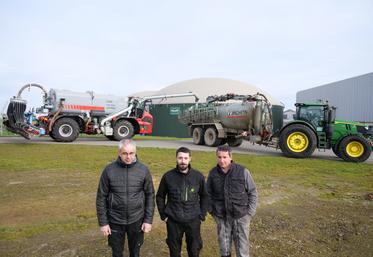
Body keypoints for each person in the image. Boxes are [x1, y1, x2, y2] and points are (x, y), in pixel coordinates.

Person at [96, 139, 155, 257]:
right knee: (117, 253)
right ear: (119, 153)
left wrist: (148, 220)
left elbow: (150, 195)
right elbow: (101, 197)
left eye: (131, 153)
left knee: (135, 252)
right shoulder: (109, 170)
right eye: (125, 153)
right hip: (115, 220)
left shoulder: (143, 170)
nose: (128, 157)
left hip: (137, 219)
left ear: (135, 152)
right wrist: (103, 223)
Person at [156, 147, 208, 257]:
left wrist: (202, 215)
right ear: (176, 158)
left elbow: (205, 196)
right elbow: (160, 196)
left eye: (185, 158)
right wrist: (163, 215)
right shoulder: (168, 176)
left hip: (193, 220)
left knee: (194, 250)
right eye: (180, 158)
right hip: (173, 220)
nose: (183, 161)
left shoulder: (198, 176)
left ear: (190, 159)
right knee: (174, 251)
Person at [206, 145, 258, 257]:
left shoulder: (243, 171)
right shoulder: (213, 173)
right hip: (221, 217)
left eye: (224, 157)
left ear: (230, 157)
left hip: (241, 216)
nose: (222, 160)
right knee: (224, 249)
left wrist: (249, 213)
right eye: (219, 157)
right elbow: (207, 194)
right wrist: (213, 212)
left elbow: (253, 192)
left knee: (242, 249)